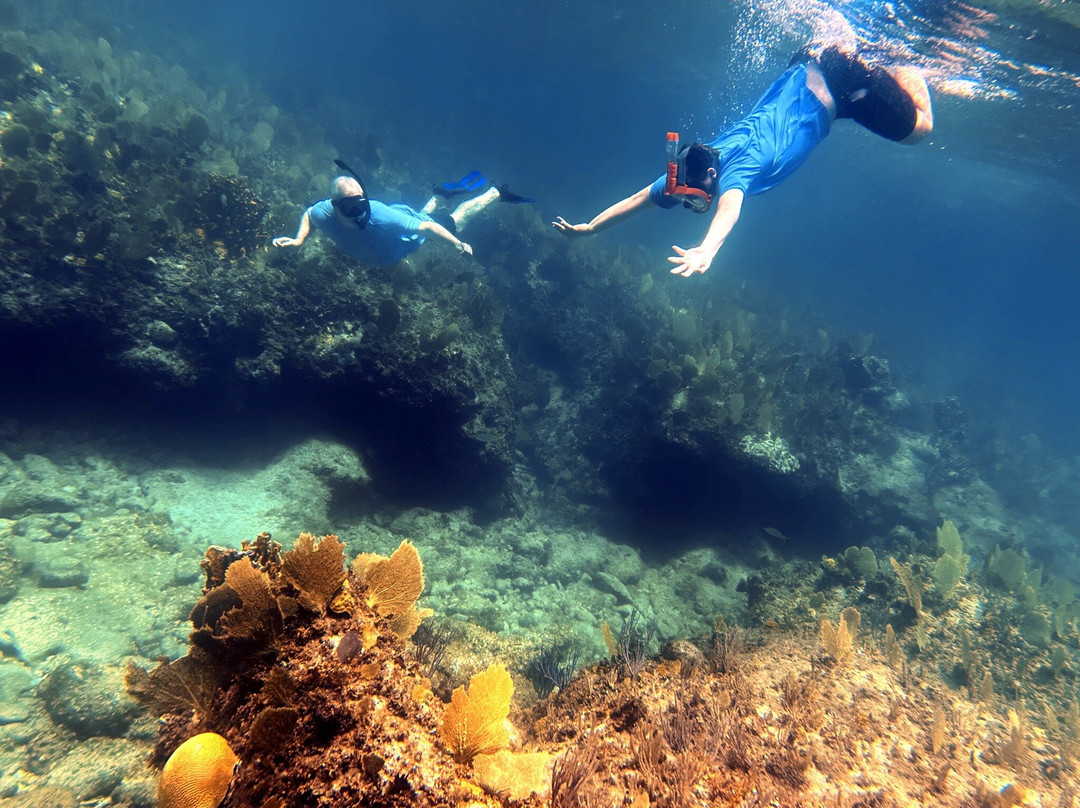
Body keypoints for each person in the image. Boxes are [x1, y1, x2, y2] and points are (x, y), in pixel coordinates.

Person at [552, 44, 933, 278]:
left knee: (920, 130)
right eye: (685, 198)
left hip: (844, 84)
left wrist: (708, 249)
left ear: (713, 175)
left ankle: (908, 64)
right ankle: (876, 63)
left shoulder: (737, 170)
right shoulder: (687, 170)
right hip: (809, 58)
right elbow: (639, 201)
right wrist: (591, 228)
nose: (686, 203)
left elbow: (729, 209)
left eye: (691, 198)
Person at [273, 167, 532, 266]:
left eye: (362, 205)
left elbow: (428, 228)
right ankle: (439, 193)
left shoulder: (379, 216)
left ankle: (496, 192)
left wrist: (457, 244)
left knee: (457, 221)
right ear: (335, 205)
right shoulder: (323, 213)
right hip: (399, 219)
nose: (359, 214)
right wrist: (299, 239)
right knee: (415, 217)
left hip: (403, 229)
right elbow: (308, 213)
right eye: (352, 208)